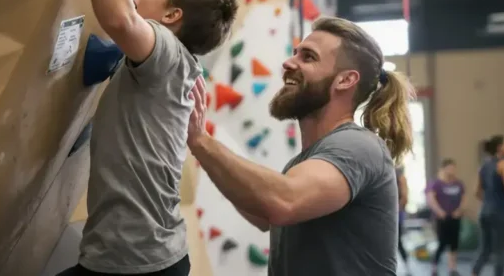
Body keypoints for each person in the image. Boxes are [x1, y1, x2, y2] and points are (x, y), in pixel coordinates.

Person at [64, 0, 238, 275]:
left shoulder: (168, 59)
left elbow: (124, 21)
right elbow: (148, 24)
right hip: (147, 258)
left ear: (173, 17)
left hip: (134, 263)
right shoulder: (174, 62)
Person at [186, 17, 415, 275]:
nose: (288, 62)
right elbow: (261, 213)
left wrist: (201, 140)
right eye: (295, 53)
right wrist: (198, 144)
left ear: (345, 80)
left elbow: (283, 201)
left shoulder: (358, 146)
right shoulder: (304, 162)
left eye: (308, 57)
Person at [471, 135, 504, 276]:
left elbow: (476, 192)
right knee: (500, 250)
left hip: (484, 211)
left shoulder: (483, 165)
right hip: (500, 210)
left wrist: (489, 200)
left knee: (484, 249)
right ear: (500, 147)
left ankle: (474, 273)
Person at [426, 159, 466, 276]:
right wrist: (440, 212)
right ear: (443, 169)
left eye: (453, 168)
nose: (452, 170)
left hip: (455, 217)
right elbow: (431, 199)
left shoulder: (459, 184)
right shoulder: (436, 184)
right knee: (442, 242)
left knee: (454, 243)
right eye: (449, 168)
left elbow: (463, 199)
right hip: (441, 218)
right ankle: (434, 266)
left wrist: (459, 211)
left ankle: (452, 268)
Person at [396, 165, 412, 274]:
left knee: (397, 242)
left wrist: (396, 209)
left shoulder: (400, 177)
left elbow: (405, 197)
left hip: (395, 215)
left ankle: (407, 266)